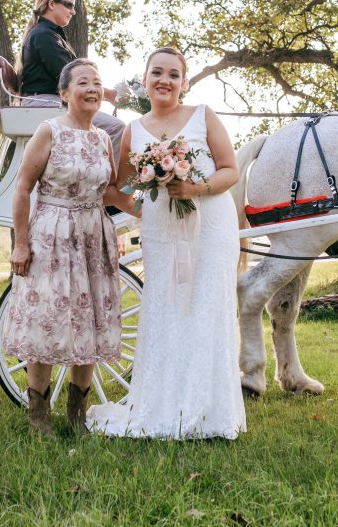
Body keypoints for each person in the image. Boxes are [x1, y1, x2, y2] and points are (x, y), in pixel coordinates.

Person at [87, 47, 246, 440]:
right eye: (156, 73)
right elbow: (116, 186)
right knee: (167, 306)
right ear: (144, 81)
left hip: (210, 225)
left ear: (184, 83)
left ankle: (210, 413)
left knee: (207, 305)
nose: (165, 80)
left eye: (173, 74)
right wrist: (138, 207)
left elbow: (230, 170)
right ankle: (163, 406)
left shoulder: (203, 116)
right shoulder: (132, 131)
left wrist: (193, 187)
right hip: (162, 229)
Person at [1, 59, 128, 436]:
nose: (92, 89)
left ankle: (77, 414)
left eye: (97, 83)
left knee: (89, 321)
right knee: (48, 321)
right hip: (52, 233)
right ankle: (39, 416)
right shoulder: (49, 131)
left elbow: (107, 191)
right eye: (83, 83)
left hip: (94, 235)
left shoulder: (103, 138)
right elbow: (23, 187)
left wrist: (149, 206)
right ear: (64, 93)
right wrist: (20, 244)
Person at [16, 0, 125, 148]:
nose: (73, 11)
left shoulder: (51, 35)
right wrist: (106, 94)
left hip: (51, 101)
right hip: (45, 102)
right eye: (68, 5)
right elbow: (69, 80)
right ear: (51, 4)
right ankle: (112, 175)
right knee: (116, 128)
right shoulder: (44, 35)